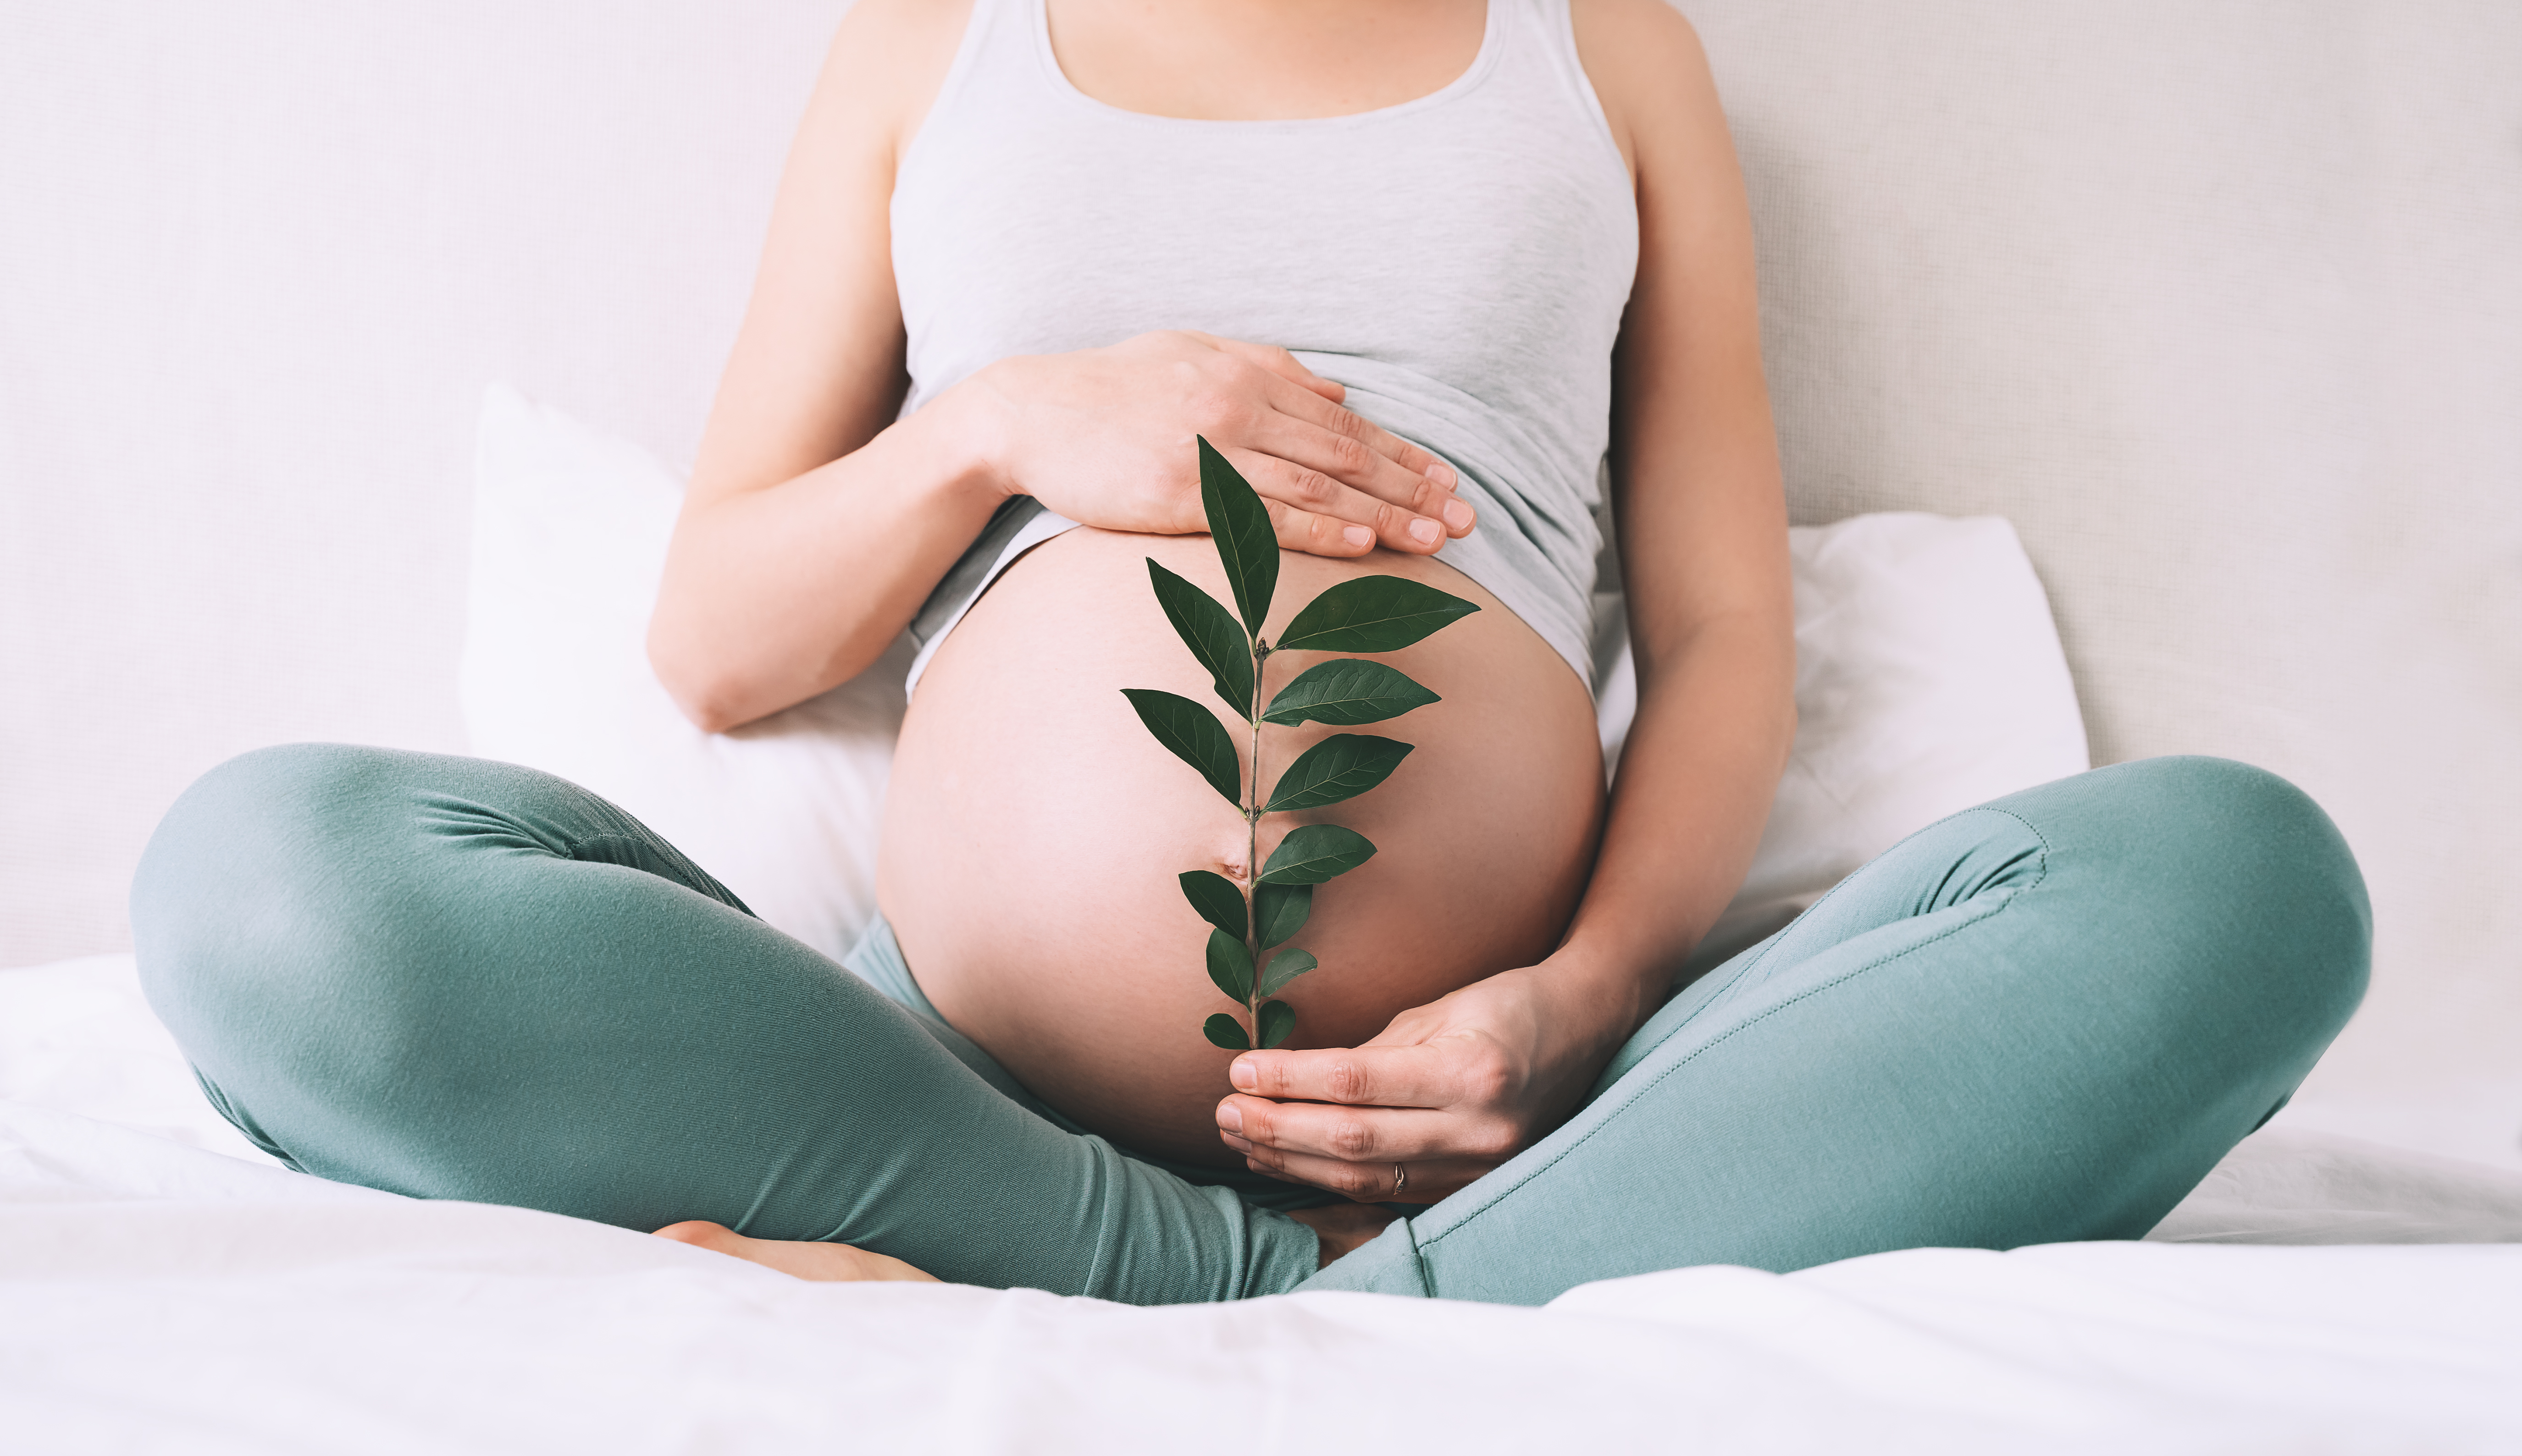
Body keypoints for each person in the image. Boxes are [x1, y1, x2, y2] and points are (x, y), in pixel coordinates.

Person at [131, 0, 2371, 1306]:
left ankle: (1380, 1276)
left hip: (1527, 1114)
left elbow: (1711, 628)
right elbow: (715, 639)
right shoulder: (938, 42)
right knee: (262, 879)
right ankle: (1221, 1282)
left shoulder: (1606, 44)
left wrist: (1572, 1006)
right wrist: (1007, 423)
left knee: (2239, 876)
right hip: (949, 1097)